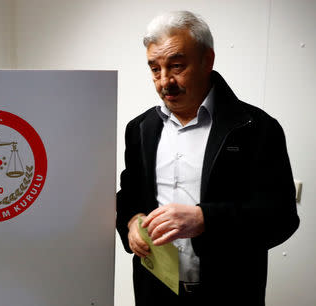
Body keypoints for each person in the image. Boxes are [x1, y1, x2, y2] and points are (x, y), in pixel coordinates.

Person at [116, 11, 299, 306]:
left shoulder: (255, 127)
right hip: (155, 291)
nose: (165, 81)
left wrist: (205, 219)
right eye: (154, 69)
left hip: (229, 294)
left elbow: (282, 217)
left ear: (207, 60)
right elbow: (130, 195)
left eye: (176, 66)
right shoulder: (140, 129)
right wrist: (132, 222)